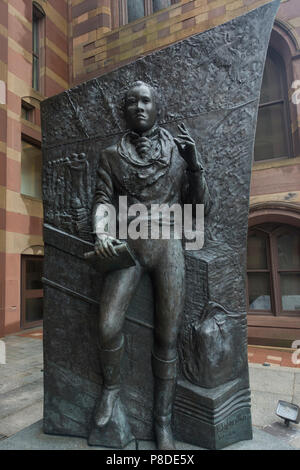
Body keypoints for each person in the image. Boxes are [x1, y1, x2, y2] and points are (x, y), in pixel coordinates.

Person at [92, 81, 211, 450]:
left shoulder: (179, 152)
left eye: (146, 101)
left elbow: (201, 211)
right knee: (108, 325)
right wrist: (101, 232)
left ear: (157, 106)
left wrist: (195, 168)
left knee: (167, 337)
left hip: (168, 247)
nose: (139, 107)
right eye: (132, 102)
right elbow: (102, 201)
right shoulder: (111, 155)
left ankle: (163, 424)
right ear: (124, 111)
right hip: (128, 247)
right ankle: (111, 391)